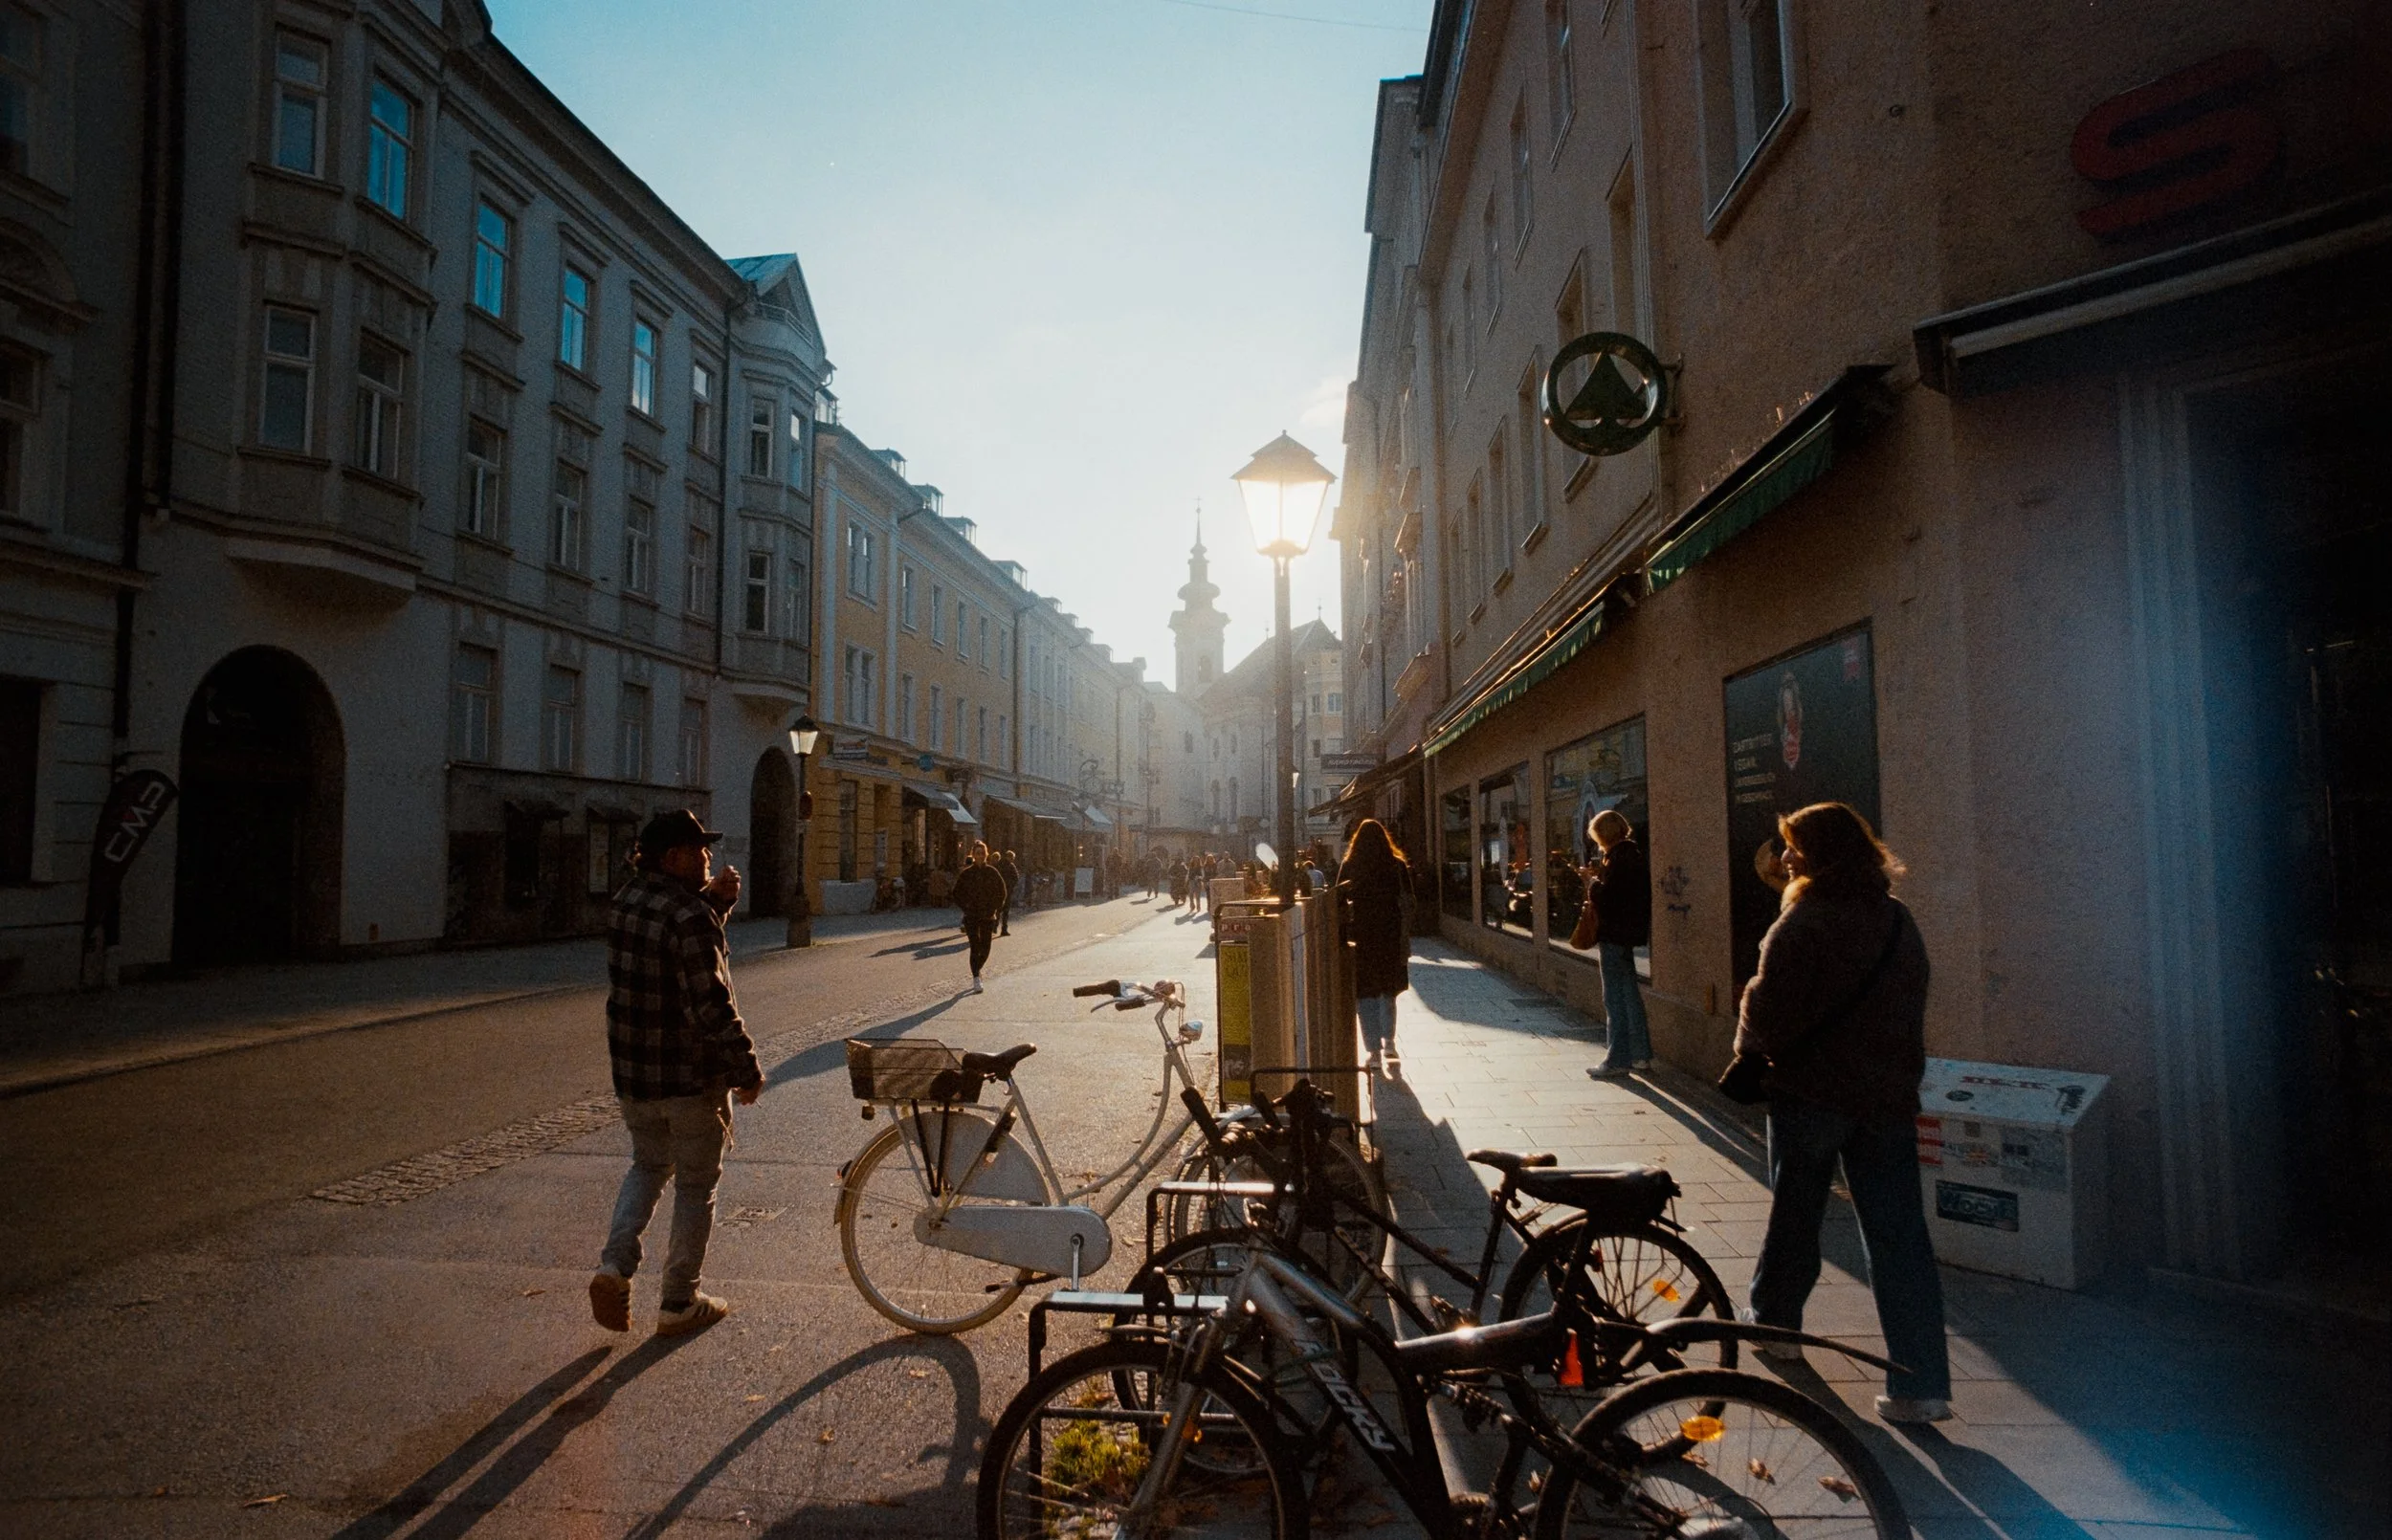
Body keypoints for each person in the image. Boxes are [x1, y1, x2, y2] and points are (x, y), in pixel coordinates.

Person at [1730, 801, 1952, 1425]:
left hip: (1812, 1093)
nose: (1786, 857)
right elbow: (1912, 1000)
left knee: (1796, 1213)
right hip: (1886, 1098)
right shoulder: (1896, 921)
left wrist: (1751, 1045)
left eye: (1794, 846)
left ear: (1820, 855)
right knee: (1900, 1238)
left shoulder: (1804, 921)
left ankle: (1775, 1324)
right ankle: (1922, 1385)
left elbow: (1767, 1006)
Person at [588, 809, 762, 1338]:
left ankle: (614, 1267)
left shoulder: (626, 901)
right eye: (698, 849)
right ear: (671, 858)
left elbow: (669, 949)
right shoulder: (690, 915)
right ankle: (679, 1301)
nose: (708, 856)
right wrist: (746, 1067)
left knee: (646, 1167)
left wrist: (716, 906)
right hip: (690, 1079)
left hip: (635, 1074)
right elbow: (709, 1003)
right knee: (695, 1187)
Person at [1583, 809, 1653, 1079]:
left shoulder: (1617, 860)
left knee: (1614, 998)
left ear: (1602, 835)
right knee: (1630, 994)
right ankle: (1640, 1054)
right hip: (1629, 933)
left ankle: (1618, 1058)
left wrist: (1591, 883)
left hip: (1614, 934)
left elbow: (1608, 897)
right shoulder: (1634, 854)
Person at [1341, 818, 1413, 1078]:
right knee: (1388, 992)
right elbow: (1408, 901)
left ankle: (1372, 1051)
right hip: (1390, 938)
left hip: (1361, 939)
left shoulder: (1350, 866)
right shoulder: (1396, 866)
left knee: (1365, 996)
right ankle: (1390, 1044)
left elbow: (1337, 901)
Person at [954, 842, 1008, 994]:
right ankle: (976, 977)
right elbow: (956, 893)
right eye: (977, 853)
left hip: (987, 915)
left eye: (982, 853)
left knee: (985, 948)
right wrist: (966, 907)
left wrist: (996, 908)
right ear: (973, 854)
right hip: (971, 916)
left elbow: (1002, 892)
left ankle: (977, 969)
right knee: (974, 947)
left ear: (986, 855)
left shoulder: (992, 872)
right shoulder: (966, 873)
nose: (980, 856)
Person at [997, 848, 1021, 936]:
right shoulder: (1011, 866)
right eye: (1012, 858)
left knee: (998, 909)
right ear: (1010, 857)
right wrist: (1011, 885)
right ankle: (1004, 929)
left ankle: (994, 926)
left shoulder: (998, 864)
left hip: (999, 890)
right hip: (1007, 891)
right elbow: (1016, 877)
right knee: (1006, 911)